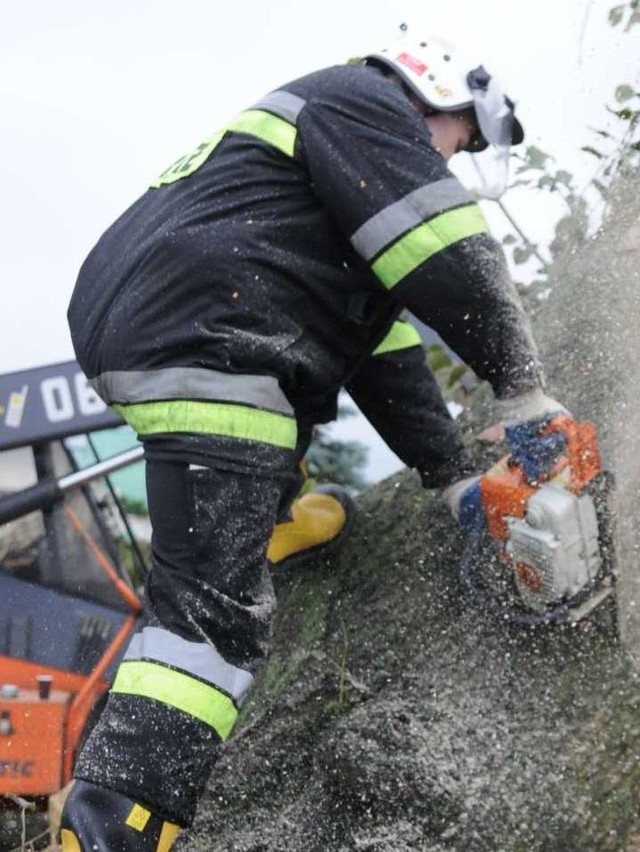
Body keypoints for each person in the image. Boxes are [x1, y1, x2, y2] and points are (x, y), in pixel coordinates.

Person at [60, 28, 567, 851]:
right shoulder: (363, 103)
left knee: (300, 373)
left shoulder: (323, 156)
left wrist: (453, 478)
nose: (455, 155)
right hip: (213, 333)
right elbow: (442, 249)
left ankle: (271, 522)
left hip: (178, 315)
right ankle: (113, 825)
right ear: (436, 92)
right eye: (461, 137)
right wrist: (525, 389)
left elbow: (382, 354)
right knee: (207, 616)